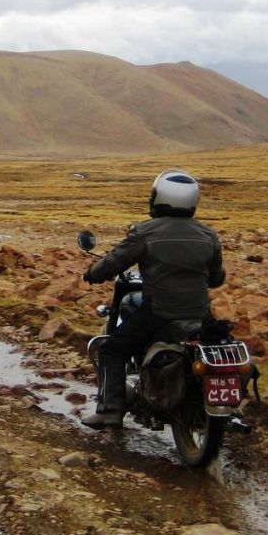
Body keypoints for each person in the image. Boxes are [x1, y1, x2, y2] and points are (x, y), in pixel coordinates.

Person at [80, 169, 225, 429]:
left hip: (160, 313)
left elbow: (115, 261)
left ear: (158, 198)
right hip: (201, 315)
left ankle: (110, 410)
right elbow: (216, 279)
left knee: (112, 349)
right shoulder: (208, 236)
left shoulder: (145, 232)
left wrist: (93, 273)